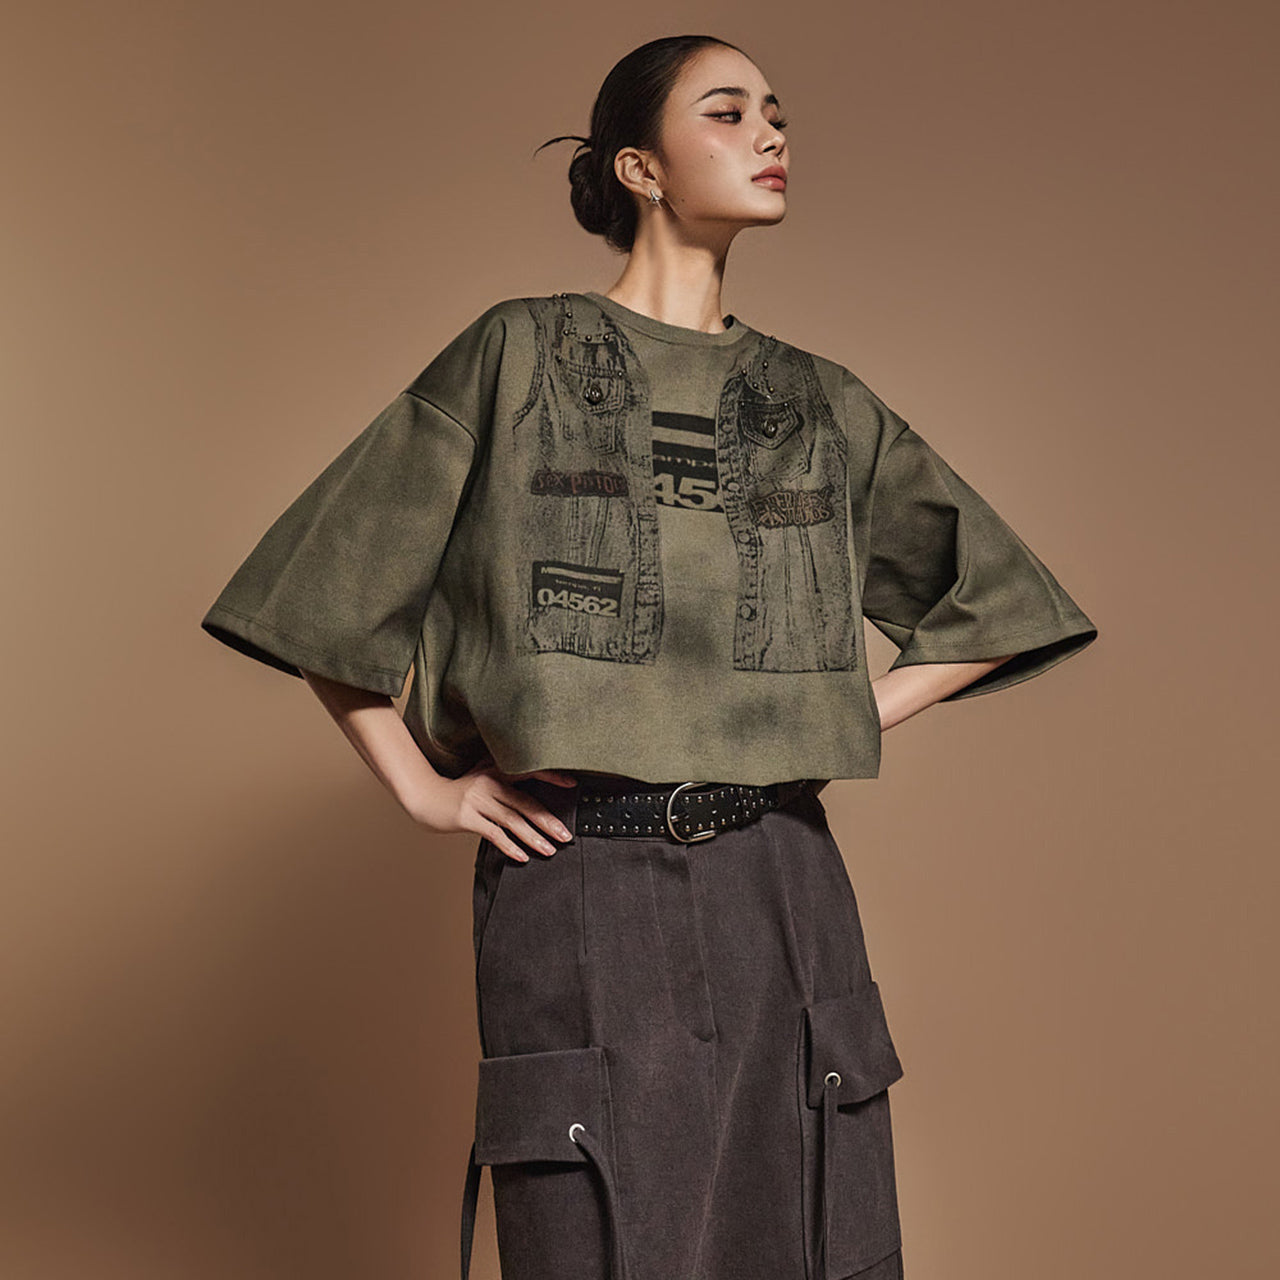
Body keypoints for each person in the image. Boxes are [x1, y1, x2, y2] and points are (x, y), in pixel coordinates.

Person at [200, 33, 1098, 1280]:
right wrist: (423, 786)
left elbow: (999, 598)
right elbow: (325, 586)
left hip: (781, 879)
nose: (770, 133)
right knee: (600, 1232)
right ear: (638, 166)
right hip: (578, 877)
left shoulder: (819, 401)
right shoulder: (514, 354)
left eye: (775, 113)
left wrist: (831, 714)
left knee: (816, 1234)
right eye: (726, 112)